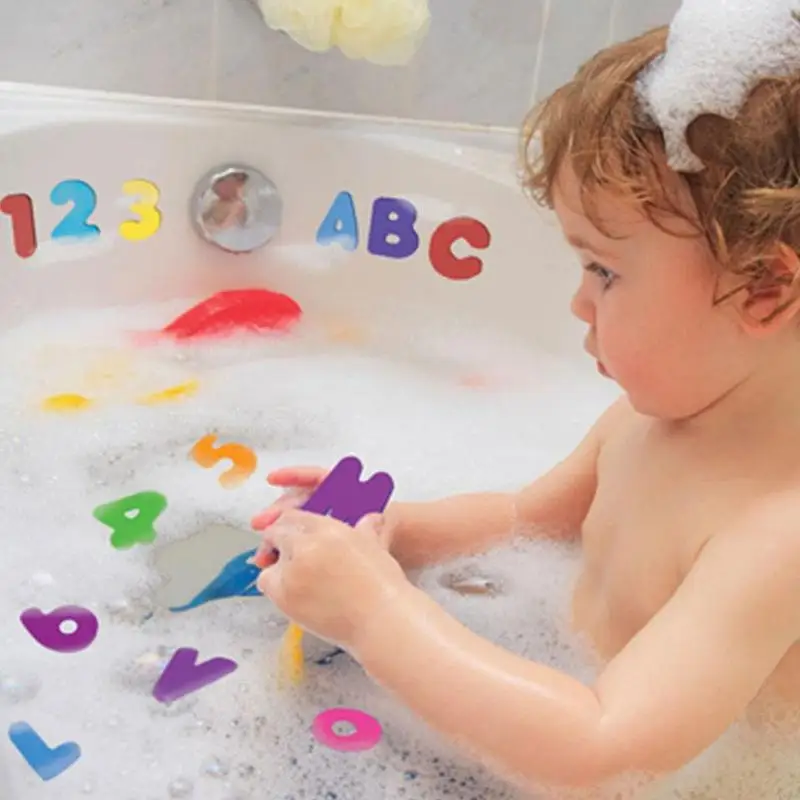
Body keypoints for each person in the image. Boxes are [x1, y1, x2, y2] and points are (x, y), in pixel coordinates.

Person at [250, 24, 800, 795]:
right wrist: (390, 534)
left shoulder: (776, 535)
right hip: (549, 694)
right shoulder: (647, 419)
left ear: (763, 290)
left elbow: (606, 750)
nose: (578, 302)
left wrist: (374, 613)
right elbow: (526, 519)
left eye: (604, 272)